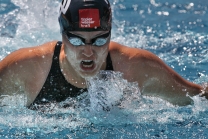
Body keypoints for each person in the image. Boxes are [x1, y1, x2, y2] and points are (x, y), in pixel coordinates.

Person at [0, 0, 207, 109]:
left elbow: (197, 97)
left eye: (99, 40)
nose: (88, 51)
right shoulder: (28, 67)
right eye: (77, 40)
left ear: (110, 35)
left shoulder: (135, 66)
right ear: (62, 35)